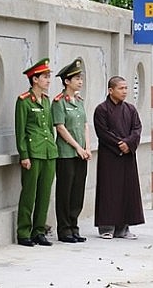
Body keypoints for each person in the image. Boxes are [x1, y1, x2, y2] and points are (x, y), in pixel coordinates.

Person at [93, 75, 145, 239]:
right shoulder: (101, 110)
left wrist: (128, 144)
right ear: (111, 90)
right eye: (121, 88)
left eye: (126, 88)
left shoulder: (130, 109)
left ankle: (123, 228)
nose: (124, 91)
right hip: (109, 156)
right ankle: (106, 227)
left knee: (126, 190)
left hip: (127, 156)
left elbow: (137, 129)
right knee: (109, 190)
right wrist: (119, 145)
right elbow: (102, 132)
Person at [14, 58, 58, 247]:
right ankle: (24, 232)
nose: (48, 80)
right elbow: (21, 130)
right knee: (29, 194)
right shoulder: (23, 101)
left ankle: (39, 231)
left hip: (49, 153)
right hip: (33, 153)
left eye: (48, 77)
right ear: (35, 79)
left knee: (44, 194)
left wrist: (52, 148)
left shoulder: (46, 101)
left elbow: (49, 127)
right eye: (45, 77)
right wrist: (24, 155)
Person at [51, 59, 92, 243]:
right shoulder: (59, 102)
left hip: (81, 153)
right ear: (67, 81)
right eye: (76, 79)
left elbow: (85, 125)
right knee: (65, 191)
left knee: (77, 191)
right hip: (66, 153)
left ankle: (74, 226)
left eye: (81, 78)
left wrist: (87, 147)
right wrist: (77, 147)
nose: (80, 81)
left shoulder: (79, 101)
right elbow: (60, 127)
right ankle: (64, 229)